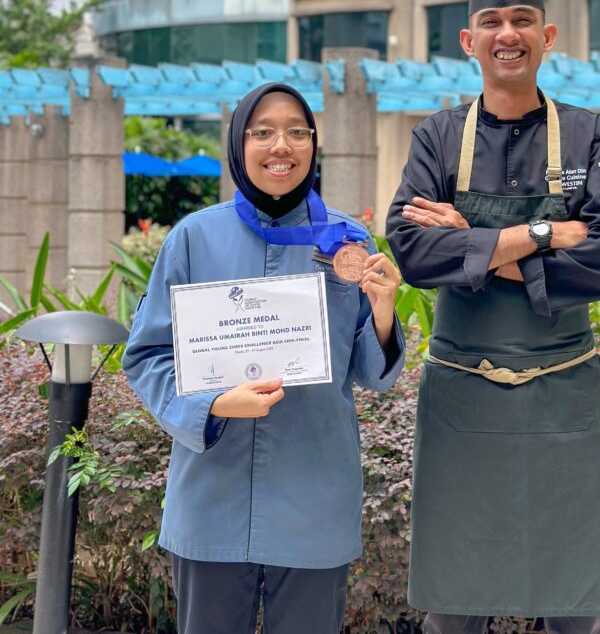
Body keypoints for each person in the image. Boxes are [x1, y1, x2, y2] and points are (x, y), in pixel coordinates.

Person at [386, 0, 600, 634]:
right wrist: (537, 234)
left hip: (565, 397)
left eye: (523, 19)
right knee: (453, 614)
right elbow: (409, 248)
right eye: (492, 20)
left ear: (547, 36)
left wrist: (472, 241)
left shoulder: (590, 134)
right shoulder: (437, 137)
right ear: (469, 40)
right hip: (462, 401)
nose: (508, 33)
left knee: (578, 612)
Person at [123, 82, 405, 634]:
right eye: (264, 132)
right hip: (212, 495)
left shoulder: (345, 241)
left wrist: (385, 310)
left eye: (298, 132)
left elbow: (373, 375)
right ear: (238, 143)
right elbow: (148, 356)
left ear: (313, 145)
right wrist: (210, 404)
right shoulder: (192, 239)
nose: (283, 145)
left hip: (314, 491)